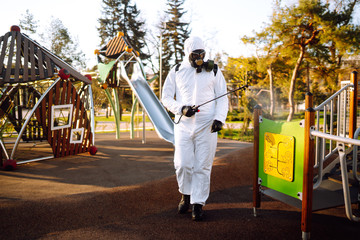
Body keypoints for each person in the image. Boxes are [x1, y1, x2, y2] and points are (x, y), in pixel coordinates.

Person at [161, 36, 229, 221]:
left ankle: (198, 204)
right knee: (182, 164)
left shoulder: (213, 70)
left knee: (203, 165)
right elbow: (166, 97)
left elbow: (222, 97)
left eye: (202, 54)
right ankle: (186, 195)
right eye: (195, 54)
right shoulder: (177, 70)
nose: (199, 57)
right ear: (187, 54)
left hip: (206, 125)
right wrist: (181, 109)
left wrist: (219, 118)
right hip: (183, 124)